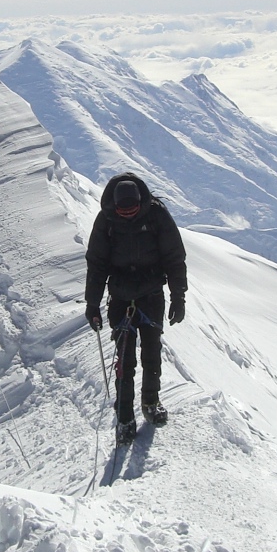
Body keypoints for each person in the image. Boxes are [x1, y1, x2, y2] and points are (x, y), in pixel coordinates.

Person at [84, 173, 187, 445]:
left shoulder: (156, 215)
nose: (127, 215)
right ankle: (125, 417)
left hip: (151, 296)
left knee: (152, 353)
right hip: (121, 298)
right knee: (124, 361)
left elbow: (175, 257)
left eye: (132, 210)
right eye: (122, 211)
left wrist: (179, 297)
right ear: (115, 206)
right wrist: (92, 304)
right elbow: (96, 263)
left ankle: (150, 402)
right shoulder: (106, 220)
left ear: (141, 202)